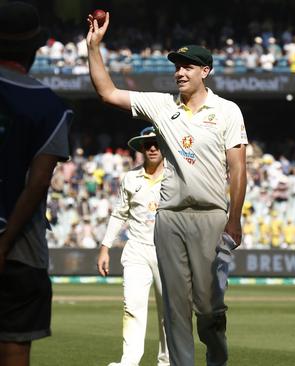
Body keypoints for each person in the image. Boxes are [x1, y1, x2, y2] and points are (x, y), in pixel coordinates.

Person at [86, 13, 248, 366]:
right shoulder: (162, 106)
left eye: (188, 66)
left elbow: (238, 170)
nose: (180, 72)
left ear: (205, 71)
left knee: (208, 307)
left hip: (211, 217)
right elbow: (107, 92)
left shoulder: (227, 111)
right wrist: (94, 48)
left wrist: (233, 220)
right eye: (177, 66)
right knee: (175, 305)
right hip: (169, 218)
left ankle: (216, 356)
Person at [0, 3, 73, 366]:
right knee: (14, 349)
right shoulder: (49, 106)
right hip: (20, 252)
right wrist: (5, 242)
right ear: (33, 50)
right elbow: (38, 183)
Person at [97, 127, 169, 366]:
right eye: (147, 144)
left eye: (156, 143)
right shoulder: (131, 178)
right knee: (132, 307)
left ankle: (167, 362)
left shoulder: (176, 177)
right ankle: (128, 362)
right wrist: (105, 246)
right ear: (140, 148)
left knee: (169, 313)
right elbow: (120, 214)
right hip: (137, 249)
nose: (151, 148)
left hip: (168, 251)